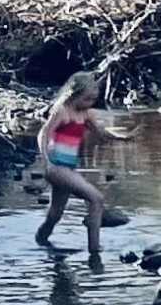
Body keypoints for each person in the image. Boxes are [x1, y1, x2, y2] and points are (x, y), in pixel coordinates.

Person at [33, 72, 114, 263]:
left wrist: (124, 137)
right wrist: (46, 159)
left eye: (93, 100)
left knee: (55, 214)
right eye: (86, 99)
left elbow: (102, 133)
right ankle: (94, 252)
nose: (89, 103)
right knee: (96, 199)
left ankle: (40, 240)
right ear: (74, 94)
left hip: (69, 167)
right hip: (57, 167)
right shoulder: (62, 111)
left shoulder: (86, 114)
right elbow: (44, 134)